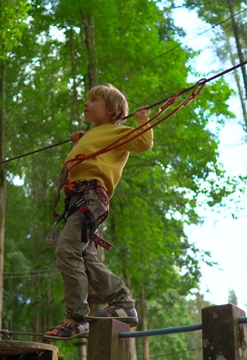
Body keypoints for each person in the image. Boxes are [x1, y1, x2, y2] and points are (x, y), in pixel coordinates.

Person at [45, 84, 153, 339]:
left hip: (91, 197)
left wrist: (142, 121)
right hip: (78, 200)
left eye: (94, 100)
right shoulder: (96, 133)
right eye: (88, 99)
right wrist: (80, 142)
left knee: (67, 250)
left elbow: (143, 144)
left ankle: (76, 316)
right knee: (85, 256)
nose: (87, 102)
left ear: (112, 109)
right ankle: (122, 303)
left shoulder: (117, 132)